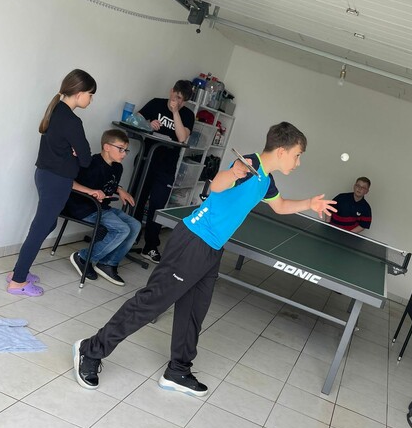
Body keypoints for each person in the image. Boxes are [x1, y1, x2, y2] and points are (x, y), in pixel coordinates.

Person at [72, 122, 336, 395]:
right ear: (281, 151)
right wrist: (233, 172)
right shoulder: (248, 165)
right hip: (193, 241)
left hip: (212, 249)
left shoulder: (266, 180)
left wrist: (309, 203)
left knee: (193, 312)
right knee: (152, 302)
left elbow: (280, 207)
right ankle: (90, 350)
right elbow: (217, 186)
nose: (298, 162)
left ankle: (178, 371)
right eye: (297, 155)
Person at [7, 70, 96, 297]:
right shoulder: (72, 121)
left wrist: (75, 151)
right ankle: (17, 281)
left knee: (47, 225)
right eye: (90, 94)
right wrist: (76, 152)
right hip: (57, 181)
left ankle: (18, 271)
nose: (91, 99)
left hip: (45, 176)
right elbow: (86, 159)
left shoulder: (56, 110)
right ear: (79, 93)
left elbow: (77, 153)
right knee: (40, 229)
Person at [66, 128, 141, 286]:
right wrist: (90, 191)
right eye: (120, 149)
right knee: (122, 229)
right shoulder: (91, 163)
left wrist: (119, 189)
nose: (124, 154)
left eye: (125, 150)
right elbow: (69, 182)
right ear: (107, 147)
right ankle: (83, 258)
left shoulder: (117, 167)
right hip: (83, 207)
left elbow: (108, 183)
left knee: (135, 225)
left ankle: (108, 263)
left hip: (102, 208)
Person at [134, 80, 195, 264]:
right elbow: (135, 119)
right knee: (137, 199)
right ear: (171, 91)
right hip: (146, 160)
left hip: (167, 167)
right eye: (177, 96)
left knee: (158, 206)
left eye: (182, 100)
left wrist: (175, 112)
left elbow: (182, 137)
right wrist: (148, 123)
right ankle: (130, 237)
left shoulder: (187, 115)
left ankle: (150, 246)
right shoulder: (156, 103)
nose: (178, 101)